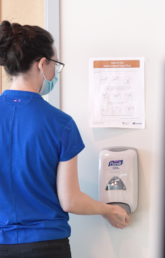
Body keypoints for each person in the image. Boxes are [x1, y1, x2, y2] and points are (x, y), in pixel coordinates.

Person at [0, 20, 130, 258]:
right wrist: (108, 210)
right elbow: (70, 200)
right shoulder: (60, 123)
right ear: (42, 64)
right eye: (55, 64)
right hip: (46, 246)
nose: (55, 72)